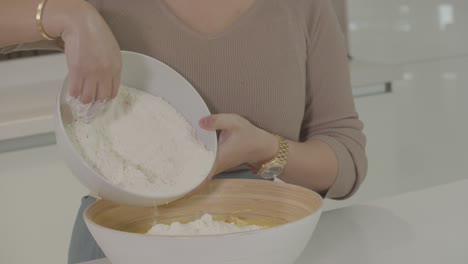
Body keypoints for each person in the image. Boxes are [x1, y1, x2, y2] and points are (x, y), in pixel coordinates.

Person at [1, 0, 367, 263]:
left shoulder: (306, 8)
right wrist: (67, 14)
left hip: (255, 240)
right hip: (121, 243)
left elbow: (346, 159)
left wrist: (267, 150)